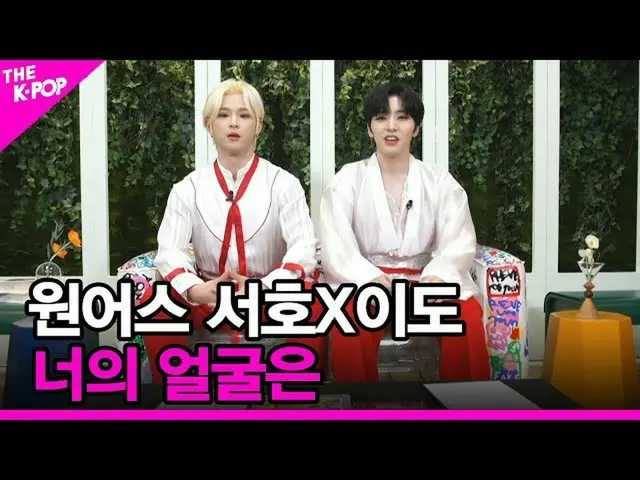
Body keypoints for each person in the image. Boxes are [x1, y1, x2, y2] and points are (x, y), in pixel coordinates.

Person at [141, 79, 325, 384]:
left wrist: (264, 287)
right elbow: (170, 251)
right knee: (156, 299)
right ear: (209, 125)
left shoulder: (284, 184)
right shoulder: (187, 188)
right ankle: (171, 392)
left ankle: (297, 392)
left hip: (269, 295)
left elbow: (304, 247)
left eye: (244, 115)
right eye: (224, 115)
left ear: (259, 125)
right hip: (208, 297)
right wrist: (194, 289)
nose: (234, 123)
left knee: (313, 298)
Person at [319, 82, 491, 383]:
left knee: (465, 316)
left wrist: (438, 276)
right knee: (349, 321)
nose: (391, 126)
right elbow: (336, 245)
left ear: (416, 128)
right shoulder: (347, 179)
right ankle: (361, 403)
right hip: (367, 285)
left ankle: (464, 402)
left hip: (426, 283)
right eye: (381, 117)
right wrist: (369, 278)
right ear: (369, 128)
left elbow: (459, 240)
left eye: (402, 117)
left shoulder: (439, 181)